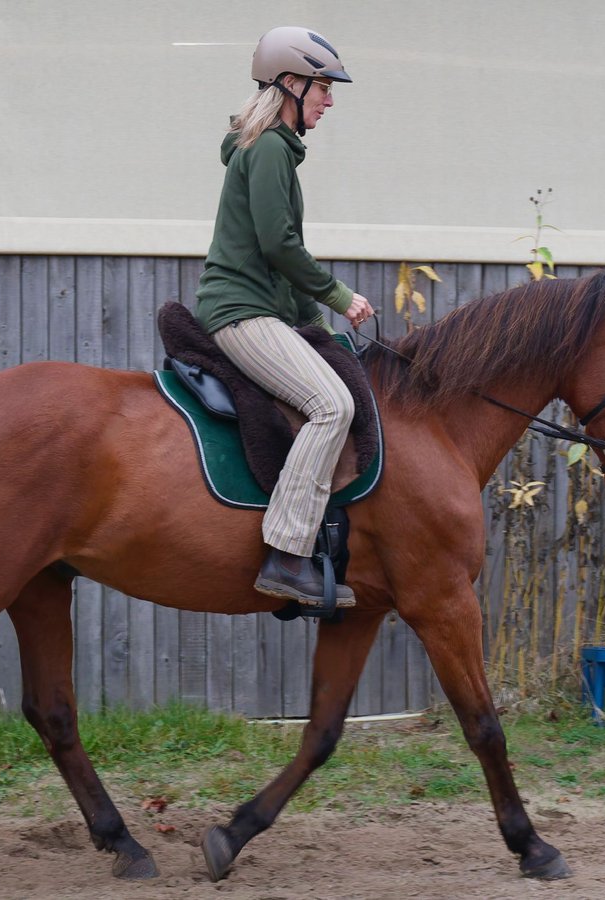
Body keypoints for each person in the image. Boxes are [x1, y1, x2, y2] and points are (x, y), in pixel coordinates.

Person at [194, 26, 375, 608]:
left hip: (260, 308)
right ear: (291, 84)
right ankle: (287, 555)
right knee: (332, 406)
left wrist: (320, 332)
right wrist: (340, 297)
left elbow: (278, 264)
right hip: (240, 314)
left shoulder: (273, 151)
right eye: (323, 86)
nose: (329, 98)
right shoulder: (271, 148)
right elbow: (279, 247)